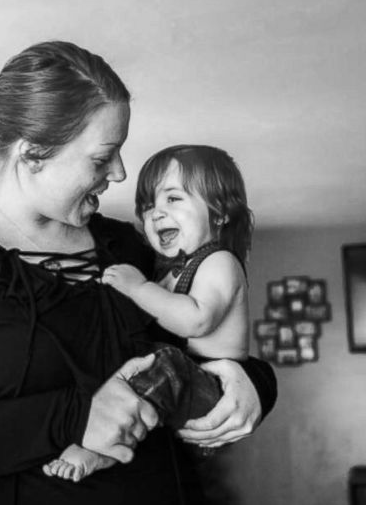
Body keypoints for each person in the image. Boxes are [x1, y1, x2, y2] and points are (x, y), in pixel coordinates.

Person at [0, 41, 277, 505]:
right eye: (103, 157)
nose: (121, 174)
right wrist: (76, 416)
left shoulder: (127, 248)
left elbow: (199, 351)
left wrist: (255, 385)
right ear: (32, 154)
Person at [43, 144, 252, 482]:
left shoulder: (219, 262)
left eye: (173, 199)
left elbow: (195, 320)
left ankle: (101, 446)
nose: (155, 212)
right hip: (181, 390)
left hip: (212, 391)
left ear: (221, 211)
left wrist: (140, 289)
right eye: (148, 204)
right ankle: (112, 447)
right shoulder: (172, 270)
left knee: (163, 362)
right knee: (144, 362)